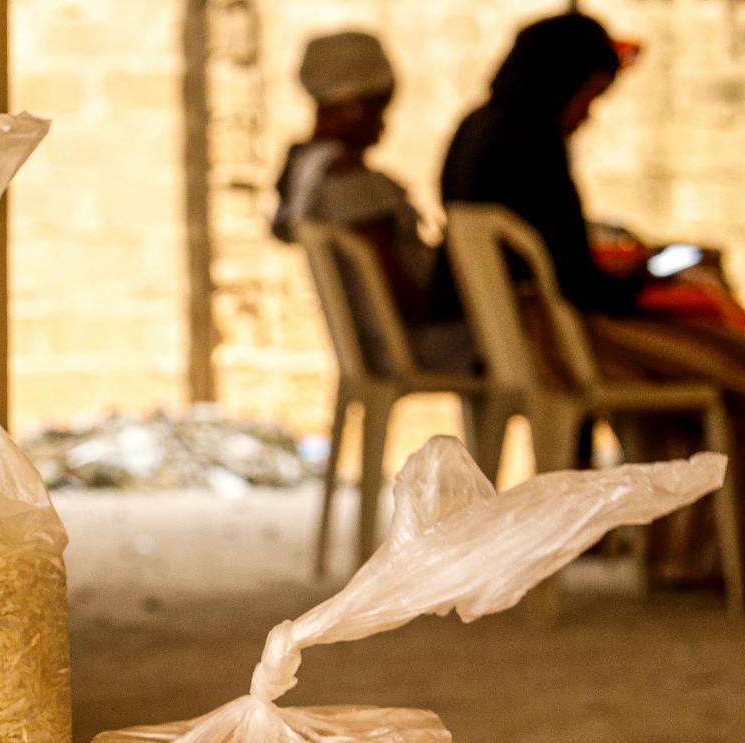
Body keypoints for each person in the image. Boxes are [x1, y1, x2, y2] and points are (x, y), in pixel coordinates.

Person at [434, 10, 745, 589]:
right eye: (588, 97)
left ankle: (685, 554)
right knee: (728, 366)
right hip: (557, 338)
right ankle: (700, 556)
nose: (589, 114)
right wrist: (651, 276)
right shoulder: (533, 142)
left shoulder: (477, 127)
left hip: (520, 331)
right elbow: (580, 285)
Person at [272, 31, 471, 373]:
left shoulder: (305, 169)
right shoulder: (345, 178)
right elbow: (397, 292)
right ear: (353, 106)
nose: (383, 123)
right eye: (378, 106)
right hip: (412, 344)